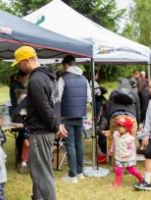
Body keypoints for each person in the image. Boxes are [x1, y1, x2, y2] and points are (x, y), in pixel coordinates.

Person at [12, 45, 67, 200]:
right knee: (38, 171)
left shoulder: (35, 80)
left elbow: (45, 108)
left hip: (41, 132)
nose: (18, 67)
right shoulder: (48, 76)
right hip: (47, 130)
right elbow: (55, 104)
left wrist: (56, 125)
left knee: (42, 173)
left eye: (19, 63)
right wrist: (57, 124)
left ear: (27, 60)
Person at [55, 55, 91, 183]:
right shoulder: (84, 79)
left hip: (66, 116)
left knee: (70, 145)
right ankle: (80, 173)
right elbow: (89, 99)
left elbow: (57, 98)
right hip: (80, 116)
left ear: (65, 65)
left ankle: (72, 175)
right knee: (79, 144)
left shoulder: (62, 78)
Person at [109, 116, 145, 188]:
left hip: (128, 158)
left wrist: (127, 154)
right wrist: (112, 149)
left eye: (121, 126)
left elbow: (132, 149)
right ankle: (117, 184)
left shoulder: (129, 139)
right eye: (118, 126)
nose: (119, 128)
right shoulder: (116, 134)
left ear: (127, 128)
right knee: (118, 170)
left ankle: (142, 179)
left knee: (132, 170)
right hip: (119, 156)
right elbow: (114, 142)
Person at [8, 71, 29, 173]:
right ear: (21, 77)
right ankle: (22, 160)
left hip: (18, 113)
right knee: (23, 138)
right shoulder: (16, 86)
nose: (26, 79)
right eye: (25, 77)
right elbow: (22, 101)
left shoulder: (17, 85)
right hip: (19, 115)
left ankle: (22, 159)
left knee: (22, 138)